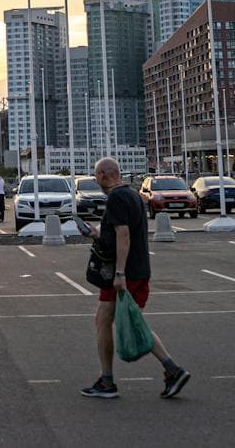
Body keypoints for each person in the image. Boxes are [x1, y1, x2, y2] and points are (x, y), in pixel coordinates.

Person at [81, 156, 188, 401]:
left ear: (104, 175)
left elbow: (124, 235)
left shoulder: (117, 198)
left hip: (123, 274)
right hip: (139, 270)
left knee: (103, 321)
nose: (96, 179)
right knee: (133, 321)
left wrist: (119, 273)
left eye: (96, 175)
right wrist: (98, 235)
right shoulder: (133, 196)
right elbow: (119, 234)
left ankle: (107, 382)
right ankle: (172, 369)